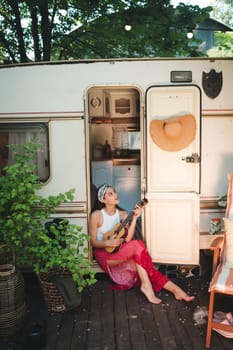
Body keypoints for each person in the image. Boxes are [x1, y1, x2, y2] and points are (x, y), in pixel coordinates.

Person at [89, 184, 195, 304]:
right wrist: (108, 242)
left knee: (143, 262)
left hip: (119, 251)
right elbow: (93, 242)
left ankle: (174, 290)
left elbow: (128, 239)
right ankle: (159, 288)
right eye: (110, 193)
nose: (115, 195)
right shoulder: (96, 215)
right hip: (104, 256)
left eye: (114, 191)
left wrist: (134, 219)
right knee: (139, 247)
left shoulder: (123, 214)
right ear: (103, 200)